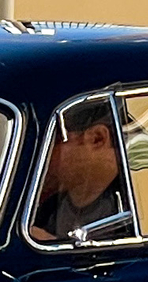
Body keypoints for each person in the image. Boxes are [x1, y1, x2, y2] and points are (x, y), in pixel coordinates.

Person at [31, 100, 132, 242]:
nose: (37, 156)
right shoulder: (48, 209)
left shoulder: (138, 206)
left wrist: (50, 243)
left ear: (97, 139)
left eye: (50, 141)